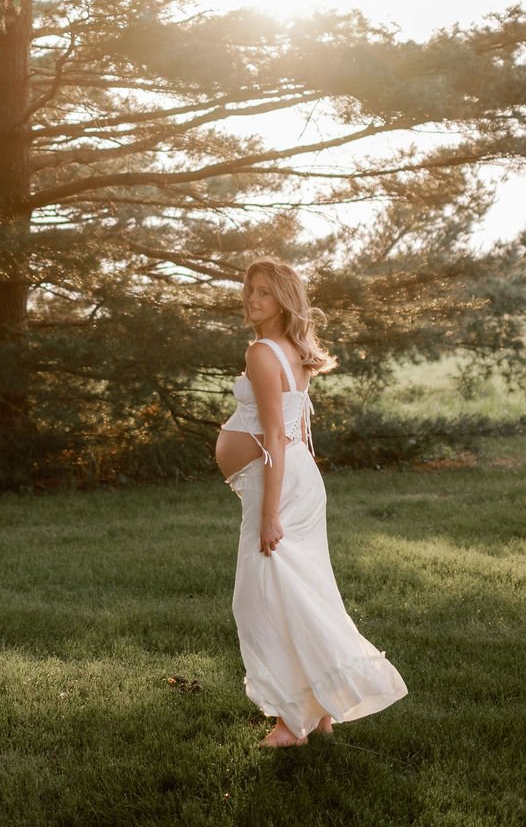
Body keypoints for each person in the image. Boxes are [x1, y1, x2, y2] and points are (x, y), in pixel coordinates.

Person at [215, 256, 407, 747]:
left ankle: (290, 722)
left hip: (277, 485)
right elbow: (296, 430)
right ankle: (320, 711)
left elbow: (275, 437)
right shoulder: (293, 351)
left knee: (264, 600)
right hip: (297, 478)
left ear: (284, 299)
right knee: (305, 592)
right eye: (250, 289)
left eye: (264, 291)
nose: (252, 299)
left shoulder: (262, 352)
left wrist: (270, 513)